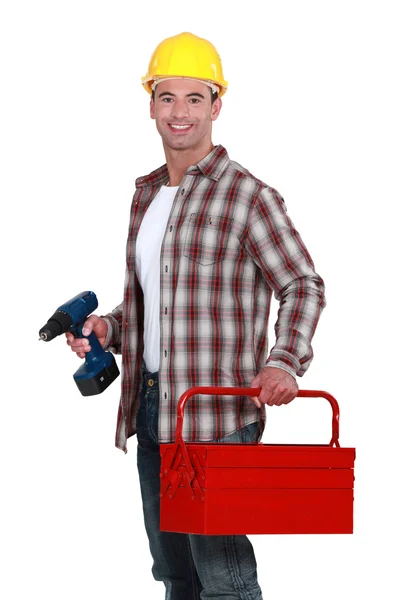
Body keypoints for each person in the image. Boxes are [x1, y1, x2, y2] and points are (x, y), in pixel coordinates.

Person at [66, 32, 326, 600]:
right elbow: (154, 303)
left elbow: (303, 284)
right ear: (151, 104)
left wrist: (284, 362)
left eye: (193, 98)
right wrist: (112, 326)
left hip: (217, 415)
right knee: (174, 574)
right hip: (154, 404)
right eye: (166, 98)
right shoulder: (146, 196)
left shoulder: (248, 196)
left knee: (224, 579)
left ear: (216, 105)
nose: (179, 113)